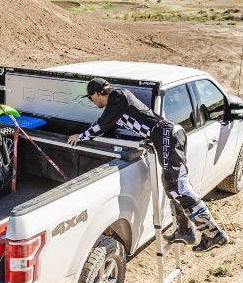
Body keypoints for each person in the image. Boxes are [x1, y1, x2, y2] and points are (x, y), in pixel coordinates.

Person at [67, 77, 228, 252]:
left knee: (177, 187)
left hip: (166, 134)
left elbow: (102, 125)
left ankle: (214, 234)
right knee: (171, 187)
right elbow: (111, 124)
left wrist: (80, 136)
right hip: (167, 135)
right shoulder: (117, 102)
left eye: (91, 97)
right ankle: (185, 230)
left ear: (97, 93)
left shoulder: (118, 97)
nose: (92, 101)